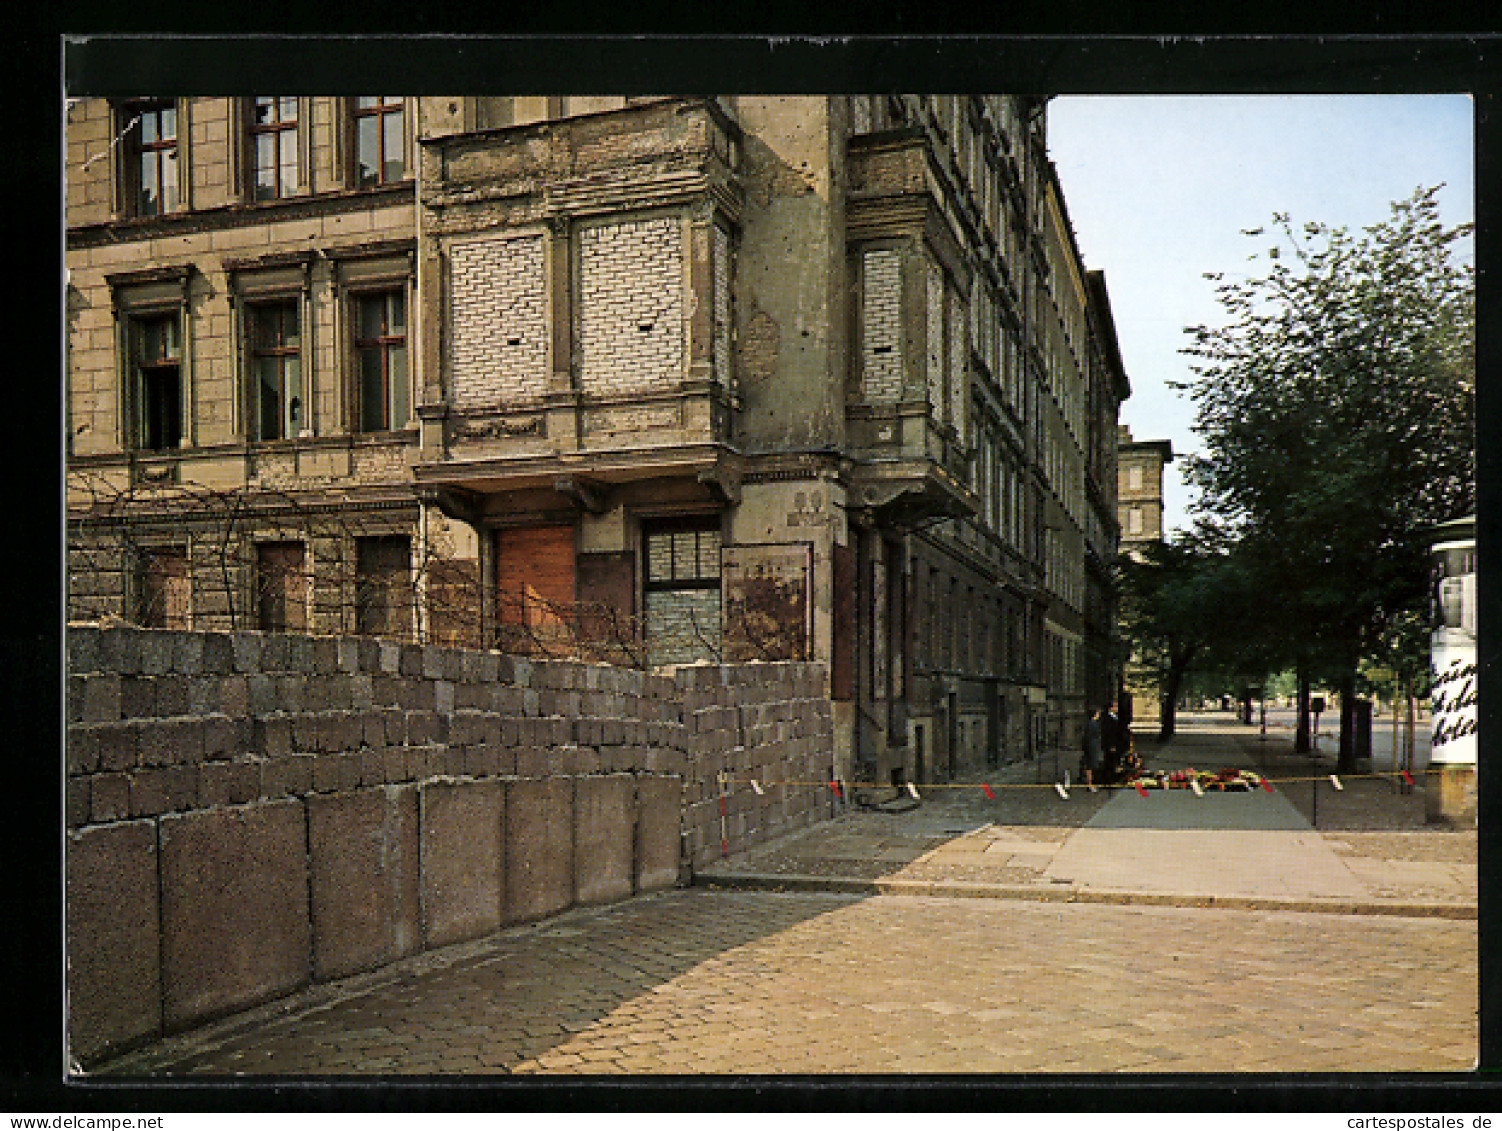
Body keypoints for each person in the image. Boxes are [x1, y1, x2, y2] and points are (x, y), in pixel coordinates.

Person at [1080, 706, 1103, 792]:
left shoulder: (1093, 723)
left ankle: (1091, 783)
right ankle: (1090, 784)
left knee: (1091, 766)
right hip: (1091, 746)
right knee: (1090, 766)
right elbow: (1089, 737)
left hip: (1093, 745)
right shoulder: (1091, 724)